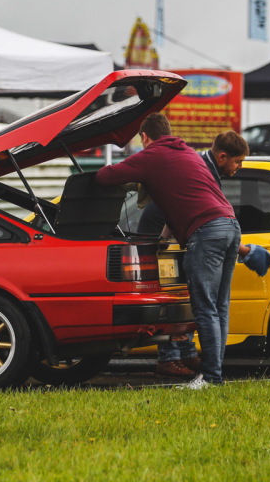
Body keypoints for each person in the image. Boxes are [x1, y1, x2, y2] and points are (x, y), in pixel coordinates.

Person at [94, 114, 244, 389]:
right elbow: (180, 202)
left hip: (207, 231)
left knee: (205, 308)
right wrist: (164, 238)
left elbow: (106, 177)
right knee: (220, 307)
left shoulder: (152, 155)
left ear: (146, 137)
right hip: (231, 226)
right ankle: (215, 375)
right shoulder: (187, 153)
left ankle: (211, 378)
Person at [137, 130, 252, 379]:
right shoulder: (200, 168)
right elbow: (175, 211)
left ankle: (197, 362)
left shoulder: (203, 167)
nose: (239, 167)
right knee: (186, 301)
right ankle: (177, 359)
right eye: (237, 161)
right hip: (166, 233)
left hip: (186, 232)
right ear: (222, 157)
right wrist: (161, 241)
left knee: (201, 303)